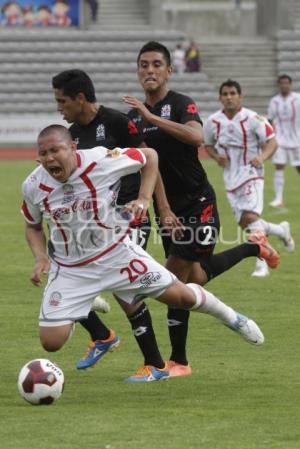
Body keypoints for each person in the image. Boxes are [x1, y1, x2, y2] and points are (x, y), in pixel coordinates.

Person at [21, 125, 265, 374]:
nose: (50, 158)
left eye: (55, 150)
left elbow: (150, 156)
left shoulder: (99, 159)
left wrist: (145, 198)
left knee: (181, 298)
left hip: (116, 255)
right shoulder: (32, 185)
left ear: (72, 148)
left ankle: (232, 318)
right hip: (71, 269)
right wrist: (41, 257)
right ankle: (79, 304)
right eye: (44, 153)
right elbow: (33, 227)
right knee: (51, 343)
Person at [123, 41, 279, 379]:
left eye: (156, 65)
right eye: (143, 65)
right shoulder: (132, 117)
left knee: (170, 279)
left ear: (168, 71)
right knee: (193, 278)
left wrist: (153, 118)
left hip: (199, 204)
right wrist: (162, 208)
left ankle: (178, 361)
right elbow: (148, 167)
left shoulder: (180, 104)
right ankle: (255, 247)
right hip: (169, 212)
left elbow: (196, 137)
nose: (149, 70)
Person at [52, 69, 170, 382]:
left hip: (129, 214)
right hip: (93, 222)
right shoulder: (72, 133)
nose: (58, 107)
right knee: (61, 271)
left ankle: (156, 365)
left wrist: (156, 205)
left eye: (62, 100)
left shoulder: (118, 123)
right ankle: (102, 335)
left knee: (123, 289)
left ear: (80, 98)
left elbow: (148, 161)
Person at [204, 79, 295, 278]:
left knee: (250, 218)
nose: (229, 97)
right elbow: (208, 144)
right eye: (225, 94)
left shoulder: (254, 118)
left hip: (252, 174)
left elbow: (272, 142)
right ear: (220, 97)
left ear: (240, 96)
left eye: (232, 93)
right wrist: (216, 157)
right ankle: (281, 230)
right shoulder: (213, 122)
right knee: (246, 224)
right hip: (230, 177)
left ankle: (262, 264)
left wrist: (261, 157)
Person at [267, 74, 300, 208]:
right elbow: (269, 119)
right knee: (279, 166)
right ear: (279, 85)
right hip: (280, 139)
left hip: (297, 139)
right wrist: (268, 136)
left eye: (287, 83)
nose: (284, 85)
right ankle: (279, 199)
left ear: (290, 84)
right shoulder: (274, 101)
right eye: (282, 83)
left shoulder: (298, 99)